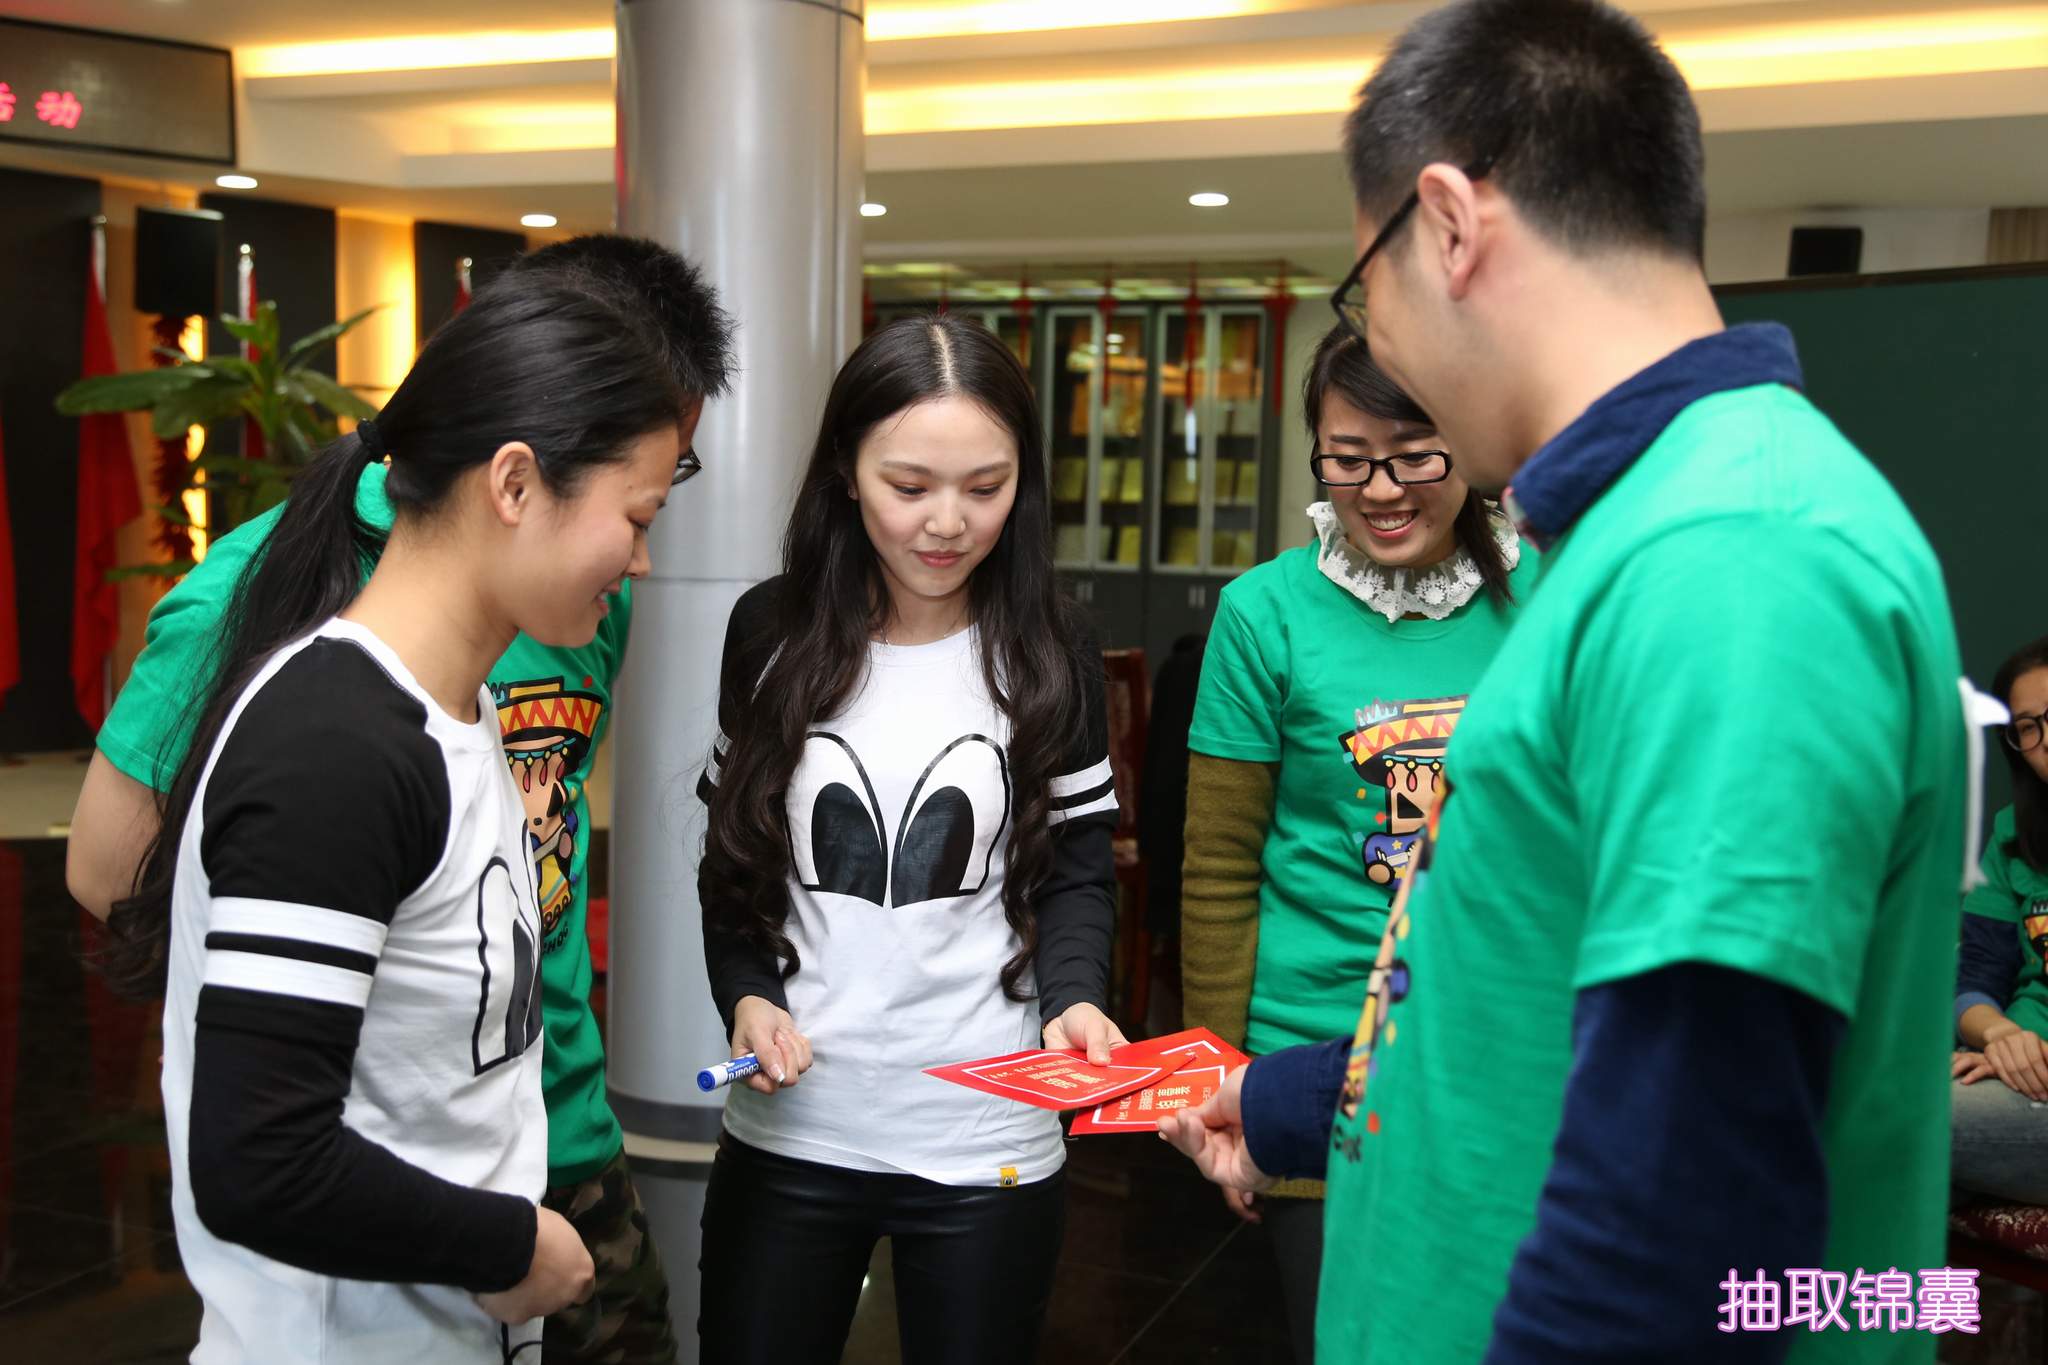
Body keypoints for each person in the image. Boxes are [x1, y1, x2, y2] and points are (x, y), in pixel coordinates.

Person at [1160, 2, 1971, 1361]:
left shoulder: (1733, 558)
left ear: (1448, 224)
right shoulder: (1635, 535)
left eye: (1367, 294)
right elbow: (1541, 989)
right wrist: (1290, 1099)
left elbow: (1686, 1213)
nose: (1385, 348)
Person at [71, 236, 734, 1364]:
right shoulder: (335, 734)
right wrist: (498, 1236)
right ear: (516, 478)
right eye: (638, 516)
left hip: (495, 1192)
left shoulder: (458, 703)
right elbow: (261, 1154)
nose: (641, 562)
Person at [695, 313, 1123, 1365]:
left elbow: (1077, 870)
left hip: (987, 1140)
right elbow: (734, 862)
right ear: (846, 472)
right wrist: (747, 996)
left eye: (986, 487)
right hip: (794, 1132)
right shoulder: (770, 632)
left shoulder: (1052, 645)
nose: (948, 522)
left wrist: (1073, 1000)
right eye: (909, 485)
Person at [1178, 322, 1526, 1357]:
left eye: (1414, 455)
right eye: (1347, 459)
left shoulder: (1550, 599)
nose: (1379, 490)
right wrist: (1220, 1083)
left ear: (1470, 441)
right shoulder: (1263, 614)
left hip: (1493, 1054)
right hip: (1309, 1063)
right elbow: (1218, 870)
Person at [1952, 636, 2048, 1200]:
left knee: (1892, 1122)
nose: (2045, 739)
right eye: (2028, 727)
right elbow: (1975, 983)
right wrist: (2003, 1037)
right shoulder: (2013, 836)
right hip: (2009, 1073)